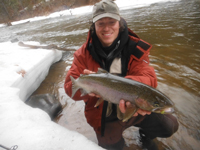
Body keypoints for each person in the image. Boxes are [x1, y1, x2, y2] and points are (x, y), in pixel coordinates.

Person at [64, 0, 179, 149]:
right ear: (94, 26)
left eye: (111, 22)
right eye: (100, 23)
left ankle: (146, 134)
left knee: (169, 125)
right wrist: (89, 90)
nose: (106, 28)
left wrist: (127, 87)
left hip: (135, 107)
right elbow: (69, 86)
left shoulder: (135, 47)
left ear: (119, 23)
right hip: (103, 114)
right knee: (112, 147)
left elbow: (149, 77)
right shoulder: (82, 54)